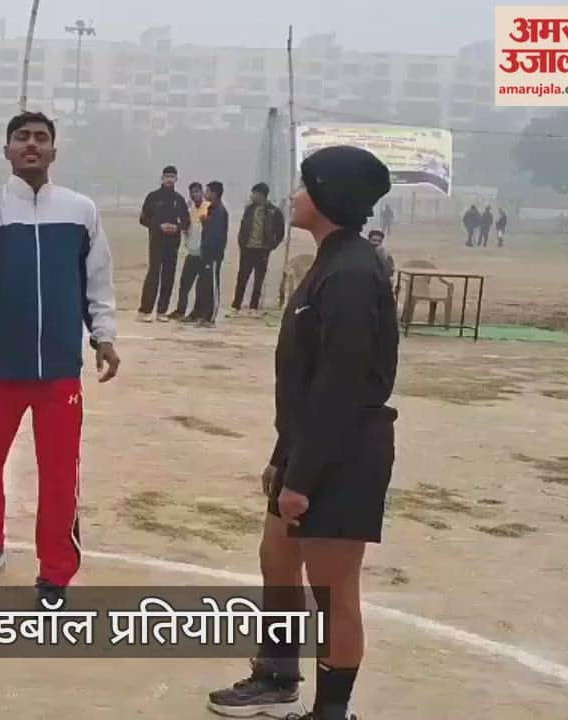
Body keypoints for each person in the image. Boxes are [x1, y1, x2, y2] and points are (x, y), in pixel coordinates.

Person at [206, 145, 397, 720]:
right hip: (307, 447)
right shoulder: (329, 261)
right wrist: (282, 456)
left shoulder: (353, 274)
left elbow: (340, 387)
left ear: (329, 196)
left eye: (305, 186)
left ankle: (331, 711)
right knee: (278, 557)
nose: (294, 196)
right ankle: (277, 673)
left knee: (334, 590)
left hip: (343, 455)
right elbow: (306, 383)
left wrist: (303, 477)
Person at [0, 111, 120, 609]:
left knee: (61, 474)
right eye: (21, 137)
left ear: (53, 151)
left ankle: (56, 571)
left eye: (41, 138)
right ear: (7, 150)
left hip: (59, 369)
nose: (31, 144)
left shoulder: (80, 211)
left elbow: (97, 281)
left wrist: (104, 336)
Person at [136, 165, 189, 322]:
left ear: (176, 179)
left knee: (169, 275)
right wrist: (159, 226)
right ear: (162, 178)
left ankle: (162, 311)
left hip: (173, 243)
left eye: (172, 176)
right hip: (156, 241)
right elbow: (143, 219)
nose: (169, 179)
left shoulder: (179, 200)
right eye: (167, 176)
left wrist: (177, 227)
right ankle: (144, 311)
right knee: (153, 274)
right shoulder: (153, 197)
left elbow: (185, 221)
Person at [232, 182, 287, 316]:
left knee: (259, 279)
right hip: (247, 249)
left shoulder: (274, 212)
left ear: (262, 195)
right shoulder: (249, 209)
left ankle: (254, 307)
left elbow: (280, 232)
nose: (252, 196)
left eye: (255, 193)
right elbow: (243, 227)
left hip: (262, 250)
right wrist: (241, 243)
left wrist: (271, 246)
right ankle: (236, 306)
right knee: (242, 277)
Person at [189, 180, 229, 327]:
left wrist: (212, 253)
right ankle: (199, 313)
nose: (205, 194)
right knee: (203, 285)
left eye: (207, 191)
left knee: (212, 285)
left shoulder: (220, 212)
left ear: (214, 193)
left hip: (213, 255)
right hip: (205, 253)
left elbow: (217, 235)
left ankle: (210, 317)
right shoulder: (211, 209)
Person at [169, 182, 209, 321]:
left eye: (197, 191)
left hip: (204, 254)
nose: (194, 194)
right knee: (184, 283)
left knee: (201, 286)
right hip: (191, 253)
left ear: (202, 192)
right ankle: (180, 310)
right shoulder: (190, 210)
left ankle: (198, 313)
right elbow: (186, 227)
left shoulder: (208, 208)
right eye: (192, 192)